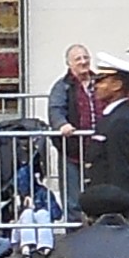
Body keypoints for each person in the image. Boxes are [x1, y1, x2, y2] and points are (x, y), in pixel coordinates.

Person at [84, 53, 129, 208]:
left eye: (101, 81)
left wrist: (118, 212)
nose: (95, 86)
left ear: (117, 85)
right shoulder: (117, 117)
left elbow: (122, 172)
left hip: (115, 208)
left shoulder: (121, 121)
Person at [47, 44, 97, 222]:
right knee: (72, 199)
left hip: (98, 150)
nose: (84, 62)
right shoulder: (62, 87)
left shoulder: (99, 82)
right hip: (72, 151)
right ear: (69, 64)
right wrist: (62, 124)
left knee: (98, 197)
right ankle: (73, 237)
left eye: (86, 57)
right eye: (78, 59)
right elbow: (55, 109)